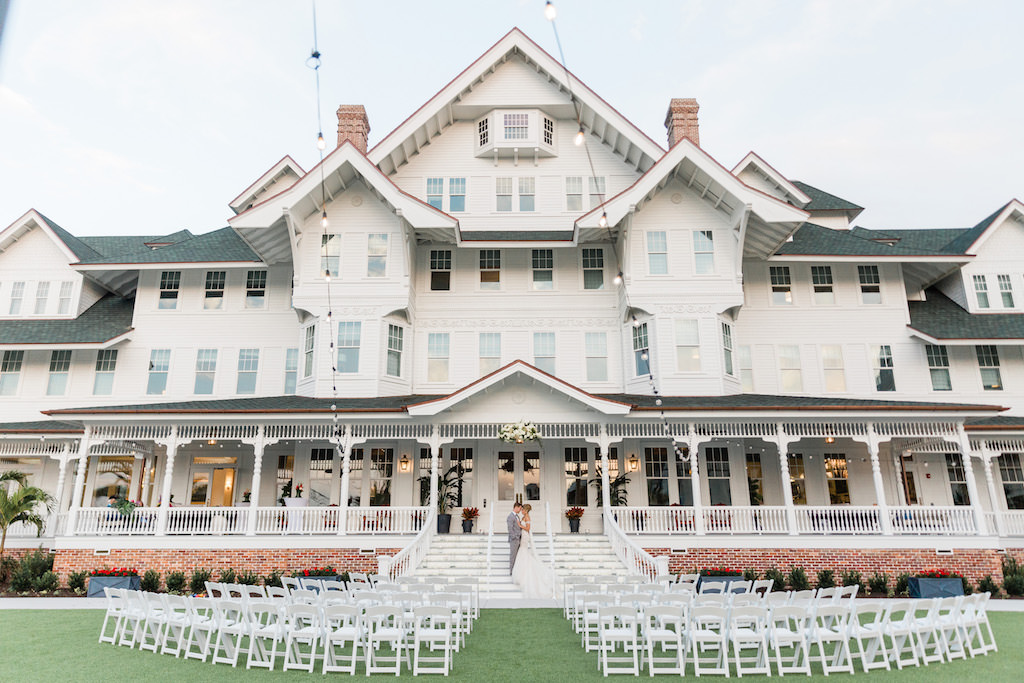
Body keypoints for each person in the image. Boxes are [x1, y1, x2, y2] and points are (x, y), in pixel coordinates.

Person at [511, 503, 557, 599]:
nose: (521, 511)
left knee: (523, 550)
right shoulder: (524, 517)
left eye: (523, 509)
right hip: (522, 535)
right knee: (522, 551)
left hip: (525, 536)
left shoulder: (527, 517)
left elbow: (528, 528)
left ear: (526, 510)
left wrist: (520, 525)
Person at [507, 502, 523, 574]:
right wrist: (515, 537)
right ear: (516, 507)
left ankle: (516, 570)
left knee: (517, 555)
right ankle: (512, 571)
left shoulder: (517, 516)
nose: (520, 510)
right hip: (514, 539)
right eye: (520, 508)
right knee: (513, 555)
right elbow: (510, 528)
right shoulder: (510, 516)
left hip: (519, 538)